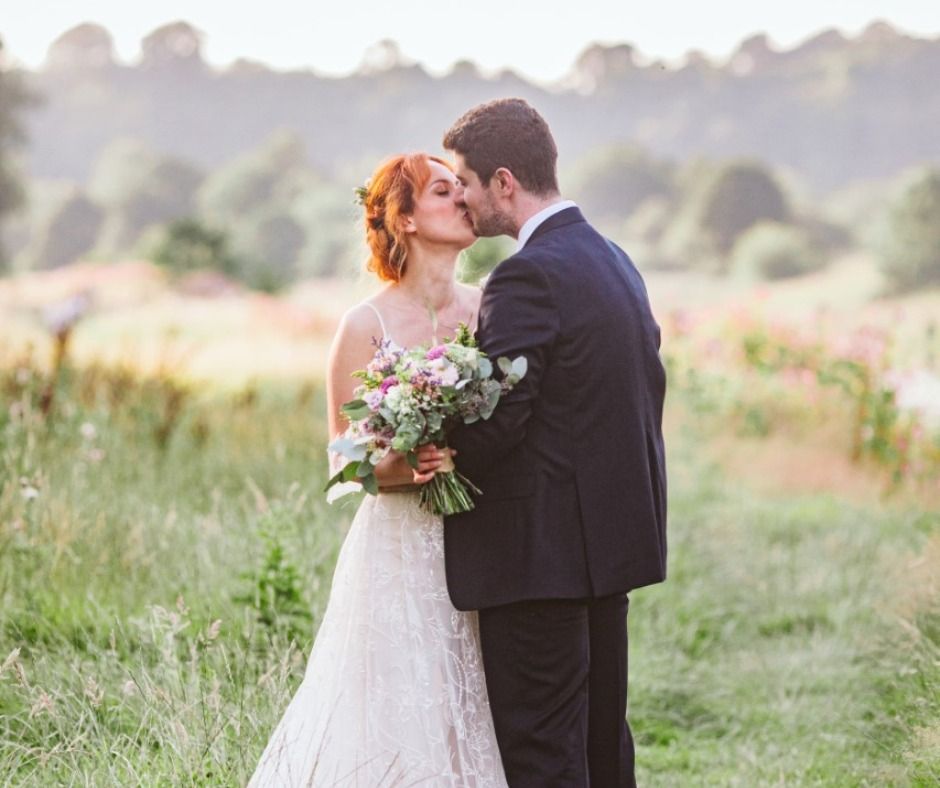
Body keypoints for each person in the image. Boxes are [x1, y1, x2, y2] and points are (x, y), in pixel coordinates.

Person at [248, 153, 507, 786]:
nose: (462, 200)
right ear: (407, 219)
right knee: (397, 703)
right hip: (398, 547)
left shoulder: (489, 310)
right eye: (443, 191)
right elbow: (343, 462)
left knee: (476, 701)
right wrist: (408, 465)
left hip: (483, 535)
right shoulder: (364, 325)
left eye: (459, 188)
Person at [441, 98, 668, 787]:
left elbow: (499, 417)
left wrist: (428, 429)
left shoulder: (526, 275)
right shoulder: (614, 260)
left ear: (504, 181)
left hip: (539, 559)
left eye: (468, 184)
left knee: (543, 755)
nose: (466, 204)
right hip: (607, 549)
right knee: (603, 750)